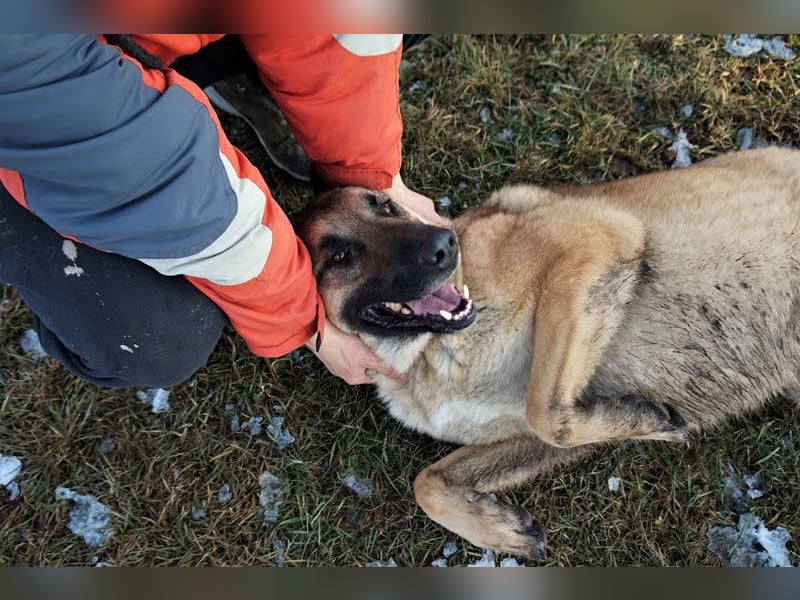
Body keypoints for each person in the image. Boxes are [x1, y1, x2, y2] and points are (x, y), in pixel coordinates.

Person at [0, 34, 440, 388]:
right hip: (26, 111)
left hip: (115, 44)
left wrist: (369, 172)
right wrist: (301, 318)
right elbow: (157, 175)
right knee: (155, 334)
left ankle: (206, 74)